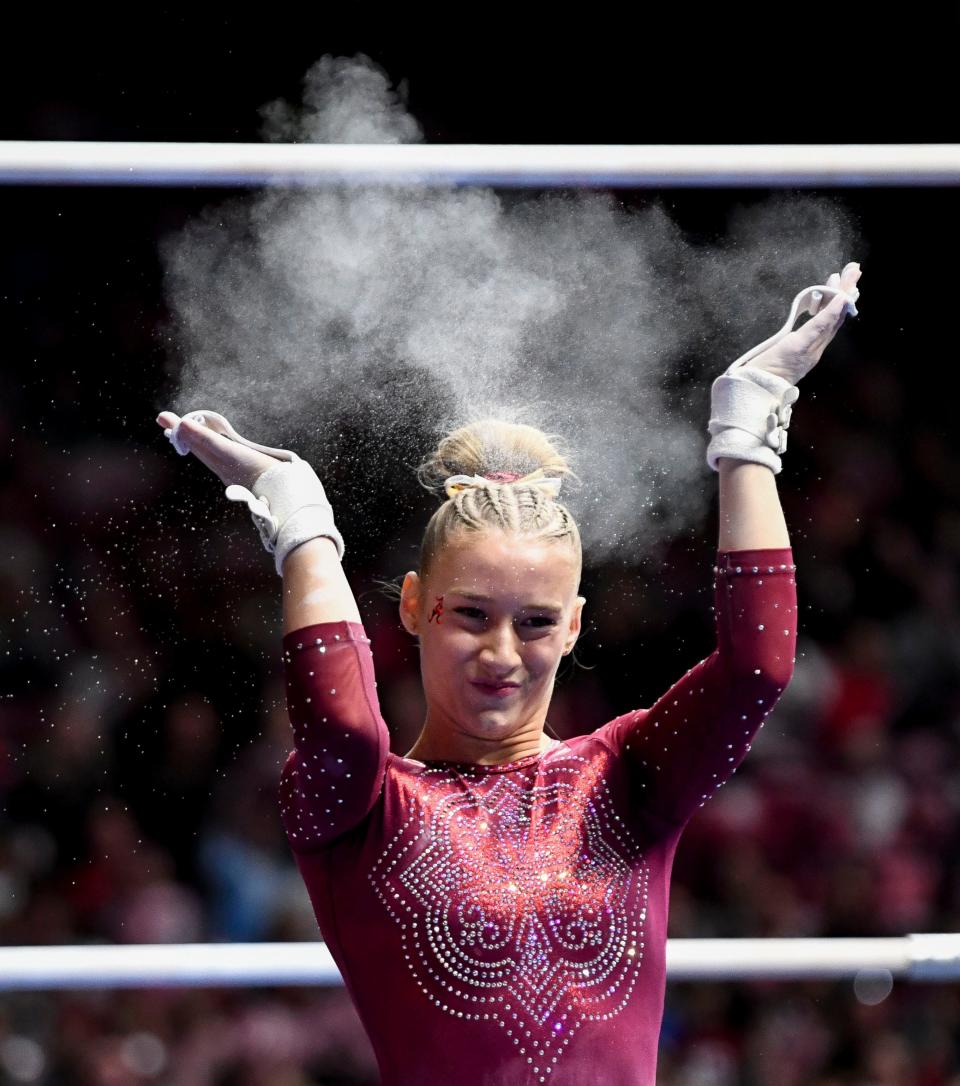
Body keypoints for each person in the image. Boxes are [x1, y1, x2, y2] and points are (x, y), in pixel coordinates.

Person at [155, 261, 861, 1085]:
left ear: (574, 629)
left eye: (534, 624)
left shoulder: (627, 779)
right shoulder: (361, 808)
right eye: (470, 615)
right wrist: (300, 519)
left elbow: (756, 670)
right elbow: (346, 725)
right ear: (413, 606)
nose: (500, 655)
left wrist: (747, 433)